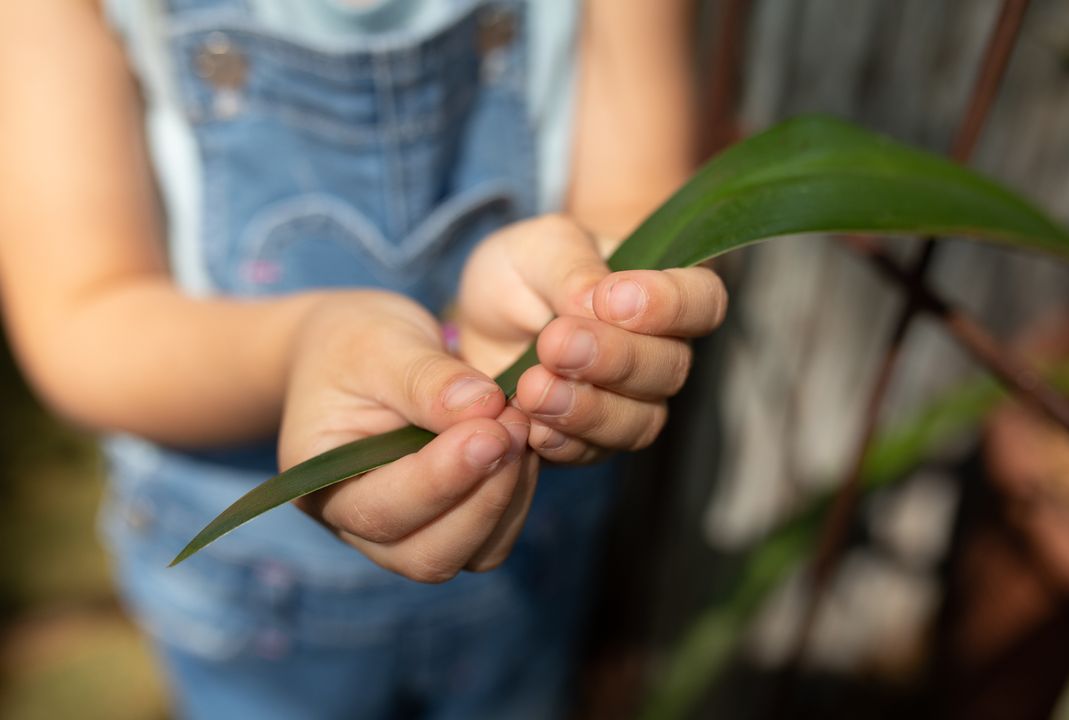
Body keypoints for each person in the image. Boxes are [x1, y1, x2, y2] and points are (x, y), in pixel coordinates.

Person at [0, 1, 724, 717]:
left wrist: (584, 301)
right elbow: (79, 312)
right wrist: (303, 346)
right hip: (247, 588)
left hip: (531, 545)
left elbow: (635, 199)